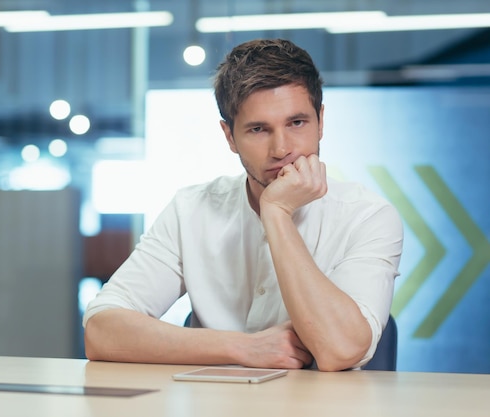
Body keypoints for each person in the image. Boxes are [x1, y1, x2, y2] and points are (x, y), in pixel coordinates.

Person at [83, 38, 403, 372]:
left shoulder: (367, 216)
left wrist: (276, 213)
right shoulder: (191, 209)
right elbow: (101, 331)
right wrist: (245, 348)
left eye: (297, 123)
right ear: (230, 137)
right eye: (258, 129)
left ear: (321, 122)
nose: (281, 149)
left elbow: (341, 350)